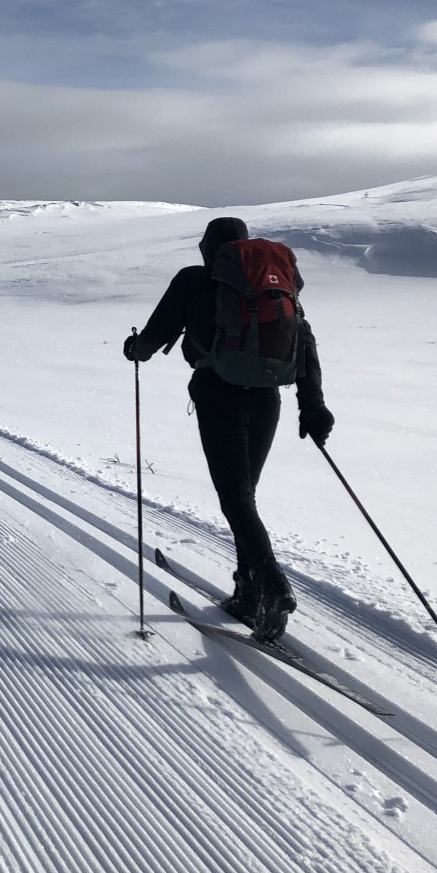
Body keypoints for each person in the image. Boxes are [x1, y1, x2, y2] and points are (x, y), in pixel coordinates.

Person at [123, 216, 334, 641]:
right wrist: (312, 406)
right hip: (266, 398)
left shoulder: (193, 280)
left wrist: (135, 348)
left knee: (236, 498)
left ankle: (272, 585)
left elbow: (155, 335)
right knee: (244, 497)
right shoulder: (274, 285)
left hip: (218, 394)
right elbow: (304, 342)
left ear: (209, 248)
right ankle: (248, 590)